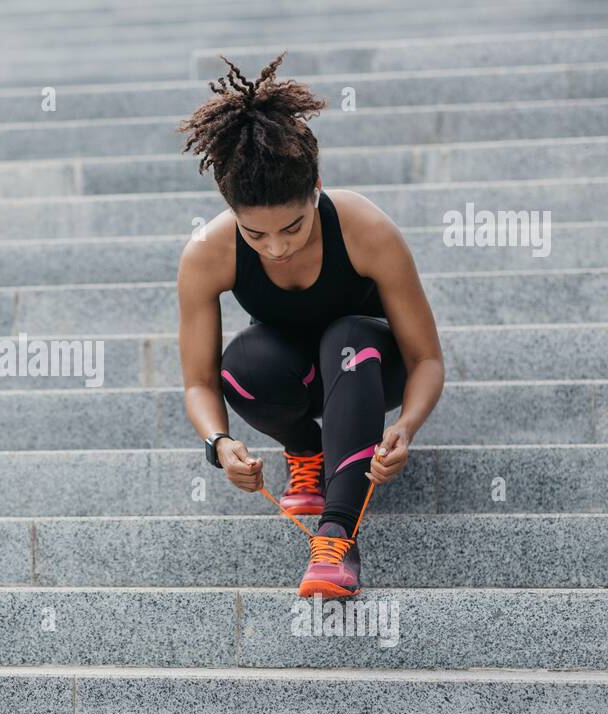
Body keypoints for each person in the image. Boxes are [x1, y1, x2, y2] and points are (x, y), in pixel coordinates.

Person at [175, 52, 446, 599]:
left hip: (369, 366)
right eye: (256, 235)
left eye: (293, 227)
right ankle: (306, 452)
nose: (276, 248)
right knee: (243, 366)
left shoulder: (365, 228)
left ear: (316, 187)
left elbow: (426, 360)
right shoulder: (206, 253)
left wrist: (407, 426)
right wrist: (219, 443)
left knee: (346, 336)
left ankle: (336, 538)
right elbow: (199, 383)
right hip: (295, 375)